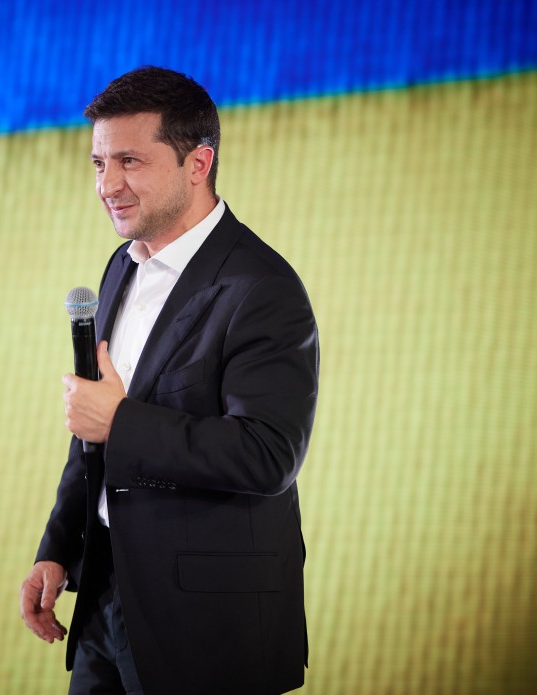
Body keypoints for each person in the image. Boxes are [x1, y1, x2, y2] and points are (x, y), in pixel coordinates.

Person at [19, 66, 319, 695]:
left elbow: (268, 454)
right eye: (99, 163)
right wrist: (58, 547)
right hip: (104, 599)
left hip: (207, 626)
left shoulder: (262, 289)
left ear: (198, 163)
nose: (108, 184)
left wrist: (120, 421)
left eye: (129, 161)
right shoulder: (121, 267)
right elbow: (93, 425)